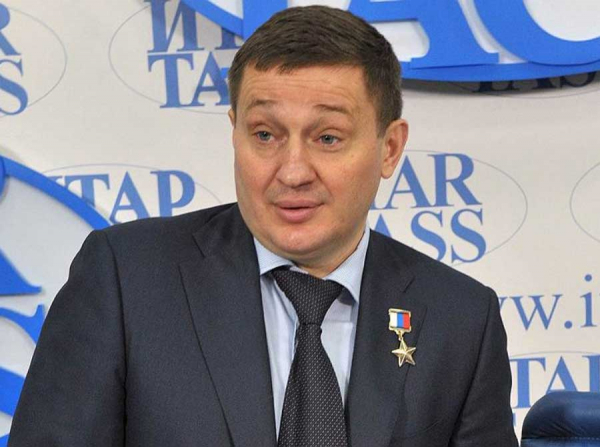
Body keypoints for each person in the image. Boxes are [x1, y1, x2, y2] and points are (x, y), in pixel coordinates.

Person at [9, 5, 518, 447]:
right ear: (235, 132)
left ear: (389, 148)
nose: (292, 172)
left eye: (328, 138)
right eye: (265, 134)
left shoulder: (460, 319)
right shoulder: (127, 280)